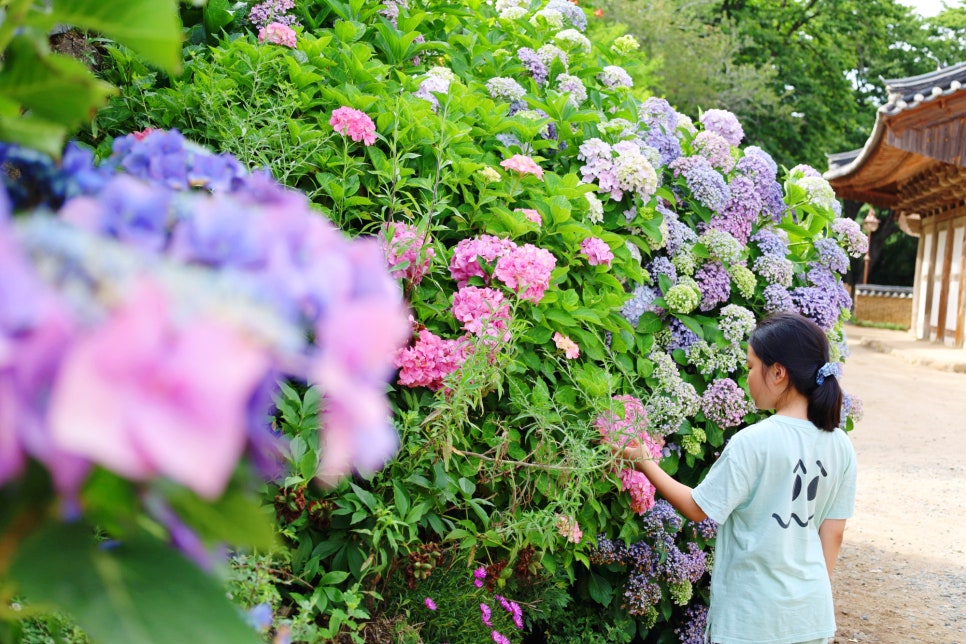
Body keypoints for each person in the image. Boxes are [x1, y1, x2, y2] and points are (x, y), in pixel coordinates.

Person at [618, 312, 857, 644]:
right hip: (810, 616)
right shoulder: (841, 444)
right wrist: (807, 598)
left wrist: (644, 462)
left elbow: (697, 507)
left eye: (749, 367)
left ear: (777, 372)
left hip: (752, 618)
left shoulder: (754, 441)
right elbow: (834, 534)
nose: (747, 379)